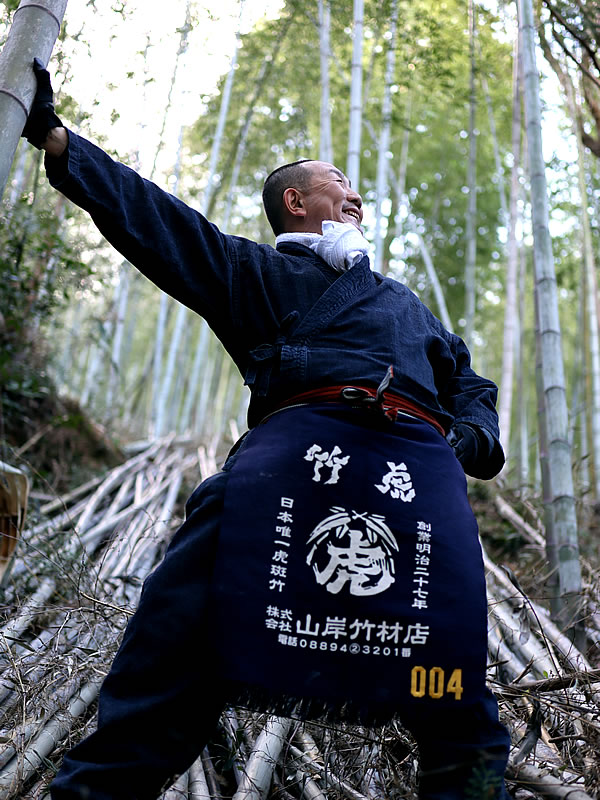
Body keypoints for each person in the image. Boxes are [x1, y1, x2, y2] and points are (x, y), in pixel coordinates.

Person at [22, 59, 511, 800]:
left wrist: (461, 442)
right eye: (339, 181)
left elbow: (472, 387)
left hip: (411, 474)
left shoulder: (406, 304)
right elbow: (161, 223)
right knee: (174, 639)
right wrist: (61, 143)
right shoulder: (252, 274)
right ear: (296, 199)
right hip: (291, 462)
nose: (355, 193)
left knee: (454, 682)